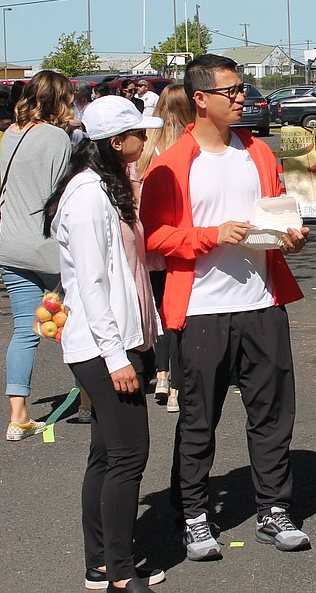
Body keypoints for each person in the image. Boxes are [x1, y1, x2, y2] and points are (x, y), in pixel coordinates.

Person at [139, 53, 310, 561]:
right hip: (202, 311)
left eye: (242, 89)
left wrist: (292, 237)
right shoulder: (171, 165)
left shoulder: (257, 152)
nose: (243, 98)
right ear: (201, 99)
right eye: (232, 91)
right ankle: (193, 515)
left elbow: (278, 213)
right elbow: (155, 238)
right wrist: (212, 235)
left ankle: (274, 509)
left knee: (273, 413)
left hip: (262, 302)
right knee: (199, 418)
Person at [44, 95, 166, 593]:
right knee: (129, 455)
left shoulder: (107, 187)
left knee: (106, 451)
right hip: (101, 346)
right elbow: (92, 284)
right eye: (139, 132)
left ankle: (101, 562)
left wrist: (145, 339)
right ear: (116, 143)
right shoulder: (89, 195)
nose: (146, 138)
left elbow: (127, 273)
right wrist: (118, 357)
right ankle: (118, 570)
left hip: (119, 340)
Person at [0, 70, 74, 441]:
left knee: (23, 332)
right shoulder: (57, 138)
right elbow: (61, 193)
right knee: (74, 324)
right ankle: (91, 399)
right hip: (49, 248)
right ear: (60, 100)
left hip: (11, 245)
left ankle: (18, 416)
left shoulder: (8, 134)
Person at [136, 85, 194, 415]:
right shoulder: (188, 148)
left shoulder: (146, 146)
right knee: (178, 311)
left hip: (149, 240)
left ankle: (159, 373)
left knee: (158, 308)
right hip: (180, 240)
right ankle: (175, 385)